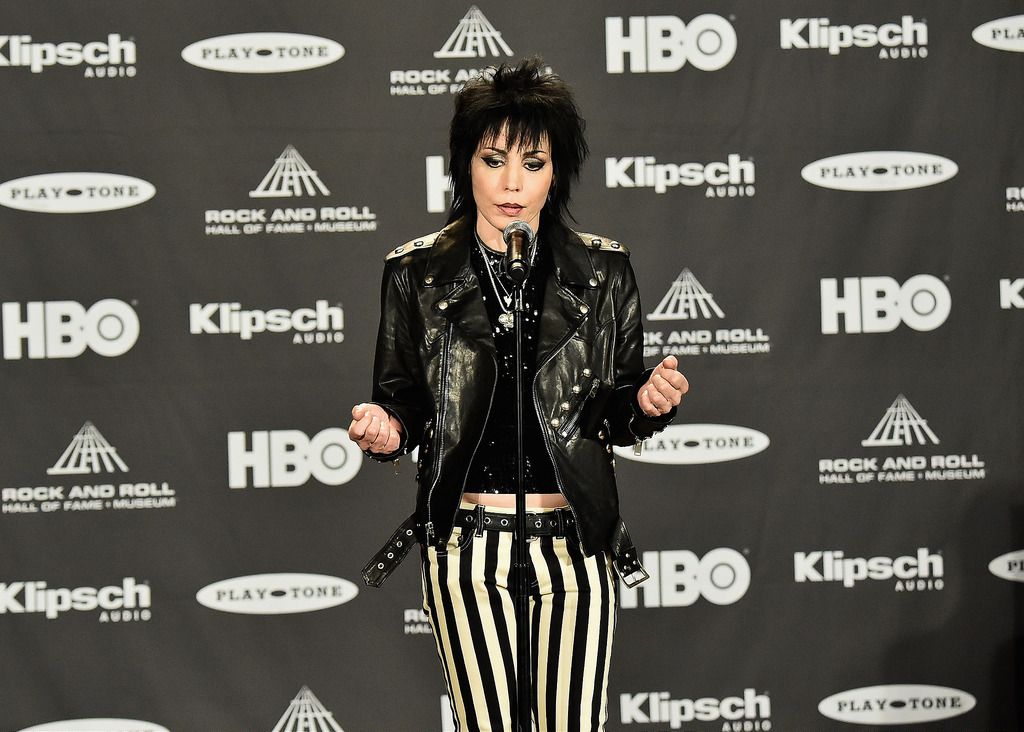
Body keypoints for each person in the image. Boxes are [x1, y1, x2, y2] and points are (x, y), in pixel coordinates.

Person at [348, 58, 688, 732]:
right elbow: (404, 403)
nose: (510, 182)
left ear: (556, 171)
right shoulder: (415, 273)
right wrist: (385, 428)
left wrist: (647, 402)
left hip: (577, 548)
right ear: (464, 165)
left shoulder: (603, 272)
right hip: (467, 549)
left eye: (532, 162)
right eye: (493, 159)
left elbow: (615, 409)